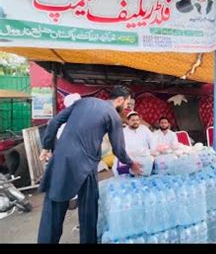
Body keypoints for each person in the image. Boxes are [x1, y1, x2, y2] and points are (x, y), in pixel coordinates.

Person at [37, 86, 142, 244]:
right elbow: (118, 148)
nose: (127, 108)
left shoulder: (83, 102)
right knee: (88, 213)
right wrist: (131, 163)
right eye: (127, 104)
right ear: (120, 100)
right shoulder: (112, 115)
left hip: (60, 160)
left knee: (53, 211)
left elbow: (54, 122)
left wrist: (46, 146)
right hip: (85, 166)